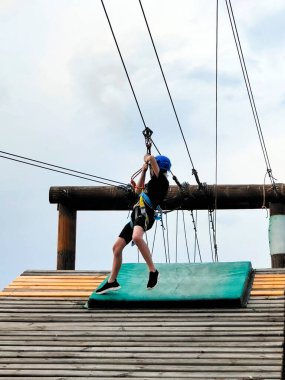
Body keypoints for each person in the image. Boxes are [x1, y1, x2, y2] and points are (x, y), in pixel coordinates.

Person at [96, 154, 171, 294]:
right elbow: (138, 190)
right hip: (136, 215)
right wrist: (143, 171)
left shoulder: (161, 181)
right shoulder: (152, 182)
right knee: (116, 247)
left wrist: (147, 158)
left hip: (145, 214)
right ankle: (112, 281)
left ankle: (153, 271)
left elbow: (151, 158)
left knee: (137, 237)